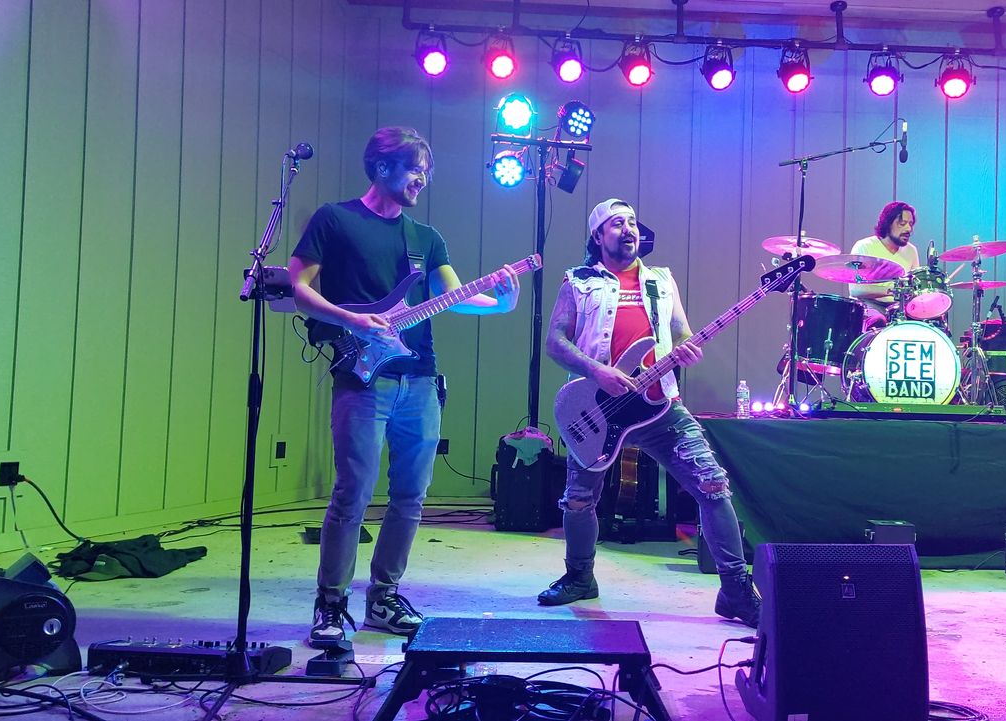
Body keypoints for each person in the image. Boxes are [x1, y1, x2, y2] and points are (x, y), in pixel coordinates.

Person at [289, 126, 520, 647]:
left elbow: (453, 296)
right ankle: (330, 603)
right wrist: (351, 319)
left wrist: (500, 303)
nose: (423, 179)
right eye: (415, 169)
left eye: (427, 172)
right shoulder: (335, 219)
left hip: (419, 379)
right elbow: (297, 286)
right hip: (362, 378)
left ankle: (384, 597)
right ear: (382, 167)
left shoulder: (426, 238)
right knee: (352, 492)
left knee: (411, 496)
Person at [537, 198, 760, 628]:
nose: (628, 229)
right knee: (579, 499)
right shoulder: (578, 281)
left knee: (713, 486)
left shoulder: (661, 280)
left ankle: (735, 591)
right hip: (598, 407)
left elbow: (681, 331)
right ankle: (579, 577)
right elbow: (555, 342)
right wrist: (597, 371)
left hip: (660, 406)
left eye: (633, 222)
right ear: (598, 236)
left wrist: (688, 348)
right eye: (617, 223)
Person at [847, 200, 921, 313]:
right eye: (902, 224)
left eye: (910, 224)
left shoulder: (911, 251)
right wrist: (894, 290)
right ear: (888, 224)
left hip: (898, 307)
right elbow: (856, 290)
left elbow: (914, 287)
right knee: (878, 319)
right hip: (868, 305)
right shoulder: (864, 246)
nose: (908, 229)